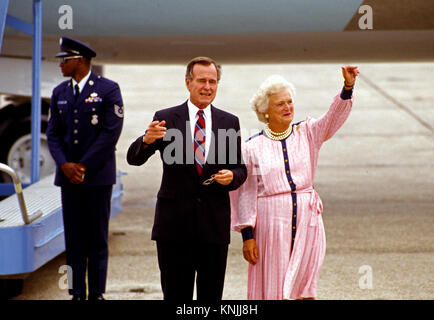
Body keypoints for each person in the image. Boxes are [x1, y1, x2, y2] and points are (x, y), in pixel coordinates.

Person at [230, 66, 360, 300]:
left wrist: (347, 88)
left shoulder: (308, 132)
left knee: (306, 286)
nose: (288, 107)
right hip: (270, 226)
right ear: (265, 111)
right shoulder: (251, 148)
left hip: (307, 221)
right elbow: (244, 194)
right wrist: (247, 236)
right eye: (280, 104)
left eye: (289, 102)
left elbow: (332, 119)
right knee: (273, 287)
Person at [126, 56, 247, 301]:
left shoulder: (229, 121)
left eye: (213, 81)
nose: (207, 87)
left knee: (211, 297)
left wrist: (232, 176)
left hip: (213, 228)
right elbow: (134, 159)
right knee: (175, 296)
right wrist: (147, 140)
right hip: (174, 229)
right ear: (188, 82)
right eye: (202, 80)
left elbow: (240, 169)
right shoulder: (167, 118)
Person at [46, 37, 124, 300]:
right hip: (69, 178)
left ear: (80, 60)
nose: (61, 65)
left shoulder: (108, 89)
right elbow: (53, 134)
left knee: (97, 238)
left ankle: (97, 293)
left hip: (97, 176)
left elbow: (110, 133)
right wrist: (65, 165)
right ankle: (77, 292)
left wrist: (83, 166)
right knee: (74, 238)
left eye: (64, 60)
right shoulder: (60, 92)